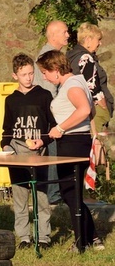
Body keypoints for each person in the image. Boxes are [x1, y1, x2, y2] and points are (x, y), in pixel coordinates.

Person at [37, 50, 103, 251]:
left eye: (45, 72)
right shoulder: (78, 81)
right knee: (71, 193)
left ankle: (81, 242)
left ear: (56, 70)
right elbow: (90, 111)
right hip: (77, 142)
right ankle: (91, 238)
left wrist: (61, 128)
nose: (44, 77)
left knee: (70, 193)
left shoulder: (72, 85)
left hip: (73, 144)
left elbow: (83, 109)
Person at [0, 53, 55, 249]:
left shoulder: (44, 95)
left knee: (41, 195)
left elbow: (53, 126)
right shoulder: (11, 100)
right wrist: (6, 147)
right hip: (17, 151)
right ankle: (23, 237)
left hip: (38, 152)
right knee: (20, 196)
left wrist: (43, 140)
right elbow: (6, 130)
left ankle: (43, 237)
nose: (29, 78)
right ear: (15, 75)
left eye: (31, 73)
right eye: (24, 74)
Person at [33, 19, 70, 204]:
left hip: (52, 114)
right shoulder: (48, 57)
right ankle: (54, 195)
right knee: (53, 154)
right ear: (54, 34)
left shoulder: (52, 54)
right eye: (64, 32)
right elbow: (48, 92)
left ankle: (56, 192)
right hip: (50, 116)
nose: (68, 35)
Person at [66, 22, 113, 133]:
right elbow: (92, 84)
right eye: (98, 39)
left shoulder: (72, 56)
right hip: (95, 110)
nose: (100, 43)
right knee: (97, 143)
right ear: (88, 40)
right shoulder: (85, 57)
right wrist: (103, 103)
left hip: (83, 108)